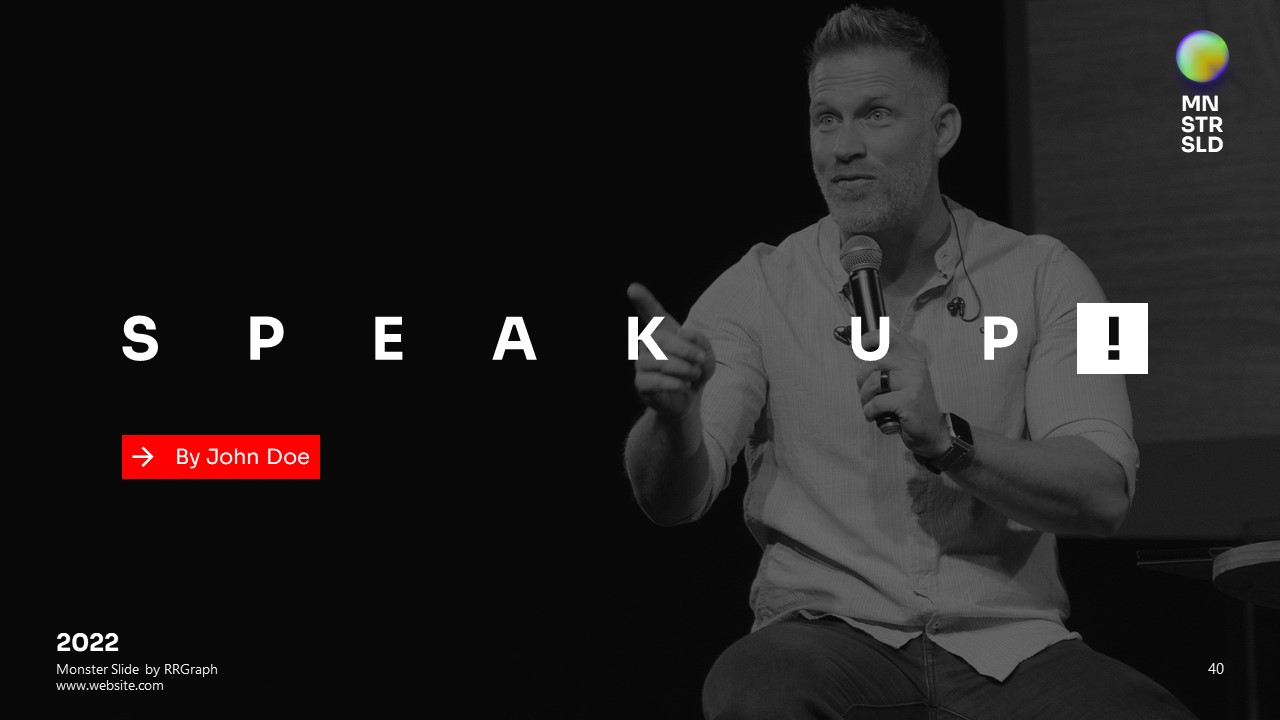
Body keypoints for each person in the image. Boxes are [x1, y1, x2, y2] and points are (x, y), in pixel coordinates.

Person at [623, 5, 1198, 719]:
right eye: (825, 119)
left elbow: (1106, 493)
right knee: (753, 684)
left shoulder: (1053, 273)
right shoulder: (755, 286)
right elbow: (671, 502)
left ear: (942, 129)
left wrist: (950, 442)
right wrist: (671, 422)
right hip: (827, 636)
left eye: (876, 115)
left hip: (1012, 648)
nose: (844, 147)